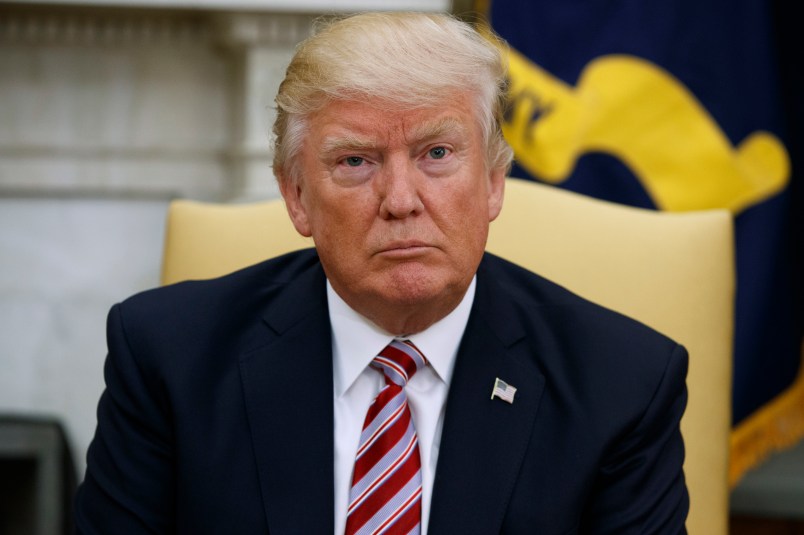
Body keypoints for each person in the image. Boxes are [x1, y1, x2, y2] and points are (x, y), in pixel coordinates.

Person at [74, 11, 689, 534]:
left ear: (495, 183)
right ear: (295, 197)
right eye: (356, 160)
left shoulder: (622, 385)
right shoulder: (169, 358)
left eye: (437, 154)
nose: (401, 199)